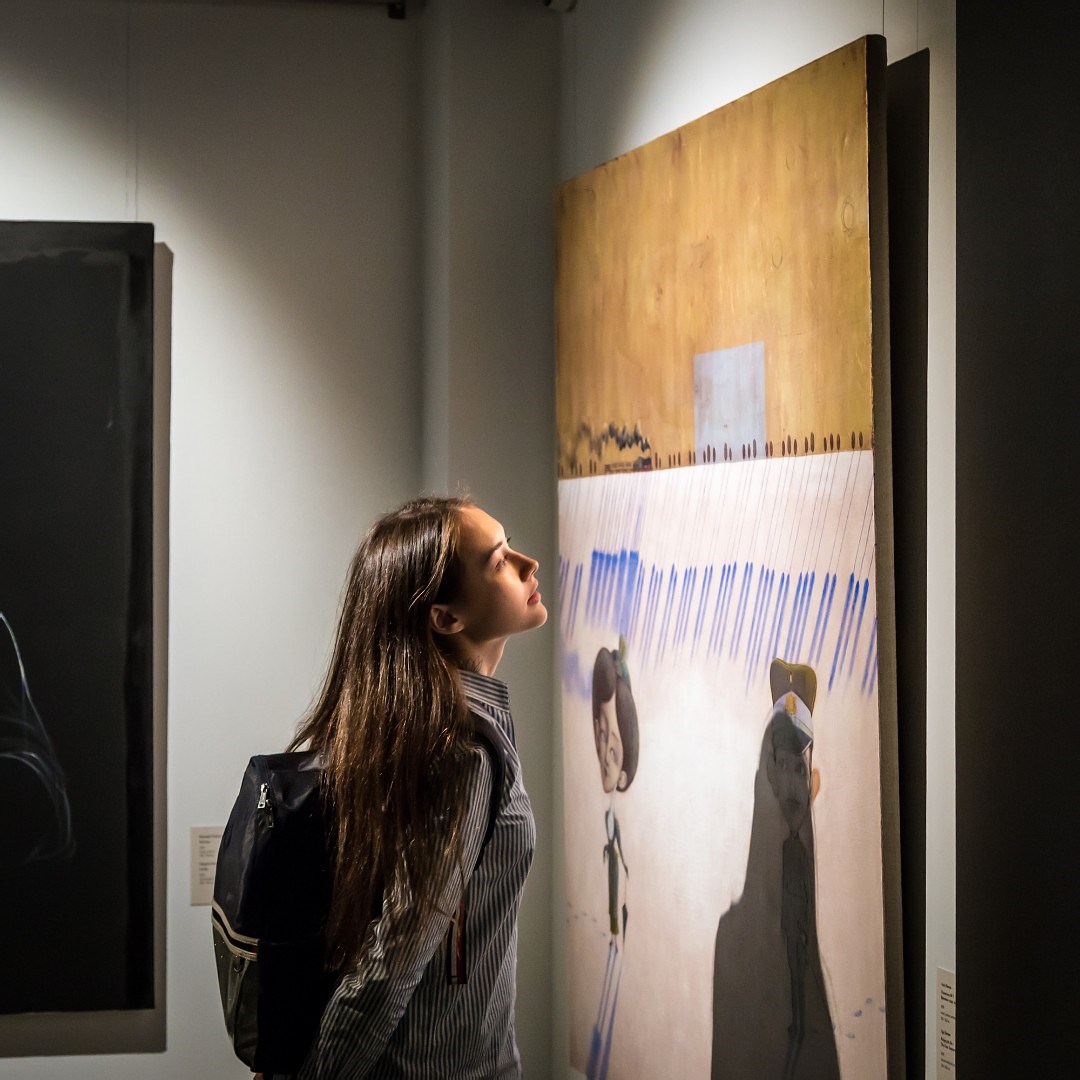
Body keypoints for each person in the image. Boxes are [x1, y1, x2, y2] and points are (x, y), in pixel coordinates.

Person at [269, 495, 546, 1079]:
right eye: (499, 561)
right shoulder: (463, 752)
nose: (529, 564)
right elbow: (392, 958)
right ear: (446, 618)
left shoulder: (402, 725)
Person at [586, 639, 639, 1080]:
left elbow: (616, 844)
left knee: (614, 900)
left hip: (615, 873)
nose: (605, 753)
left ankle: (617, 930)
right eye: (601, 735)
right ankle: (614, 931)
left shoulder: (615, 820)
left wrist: (619, 860)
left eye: (614, 748)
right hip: (609, 871)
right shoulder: (607, 815)